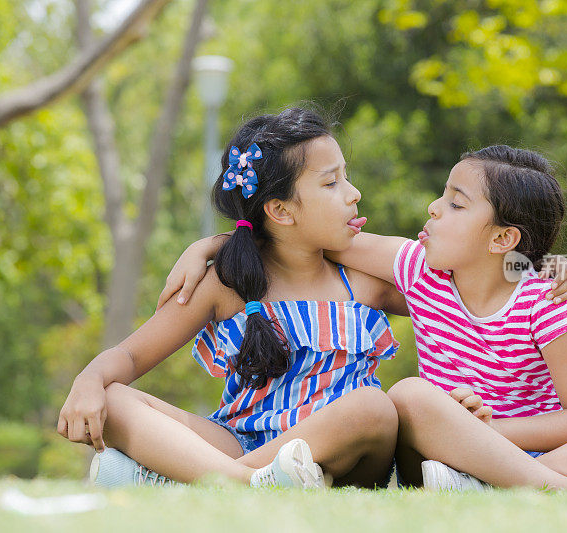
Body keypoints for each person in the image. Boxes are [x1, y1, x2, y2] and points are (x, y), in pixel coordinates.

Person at [161, 145, 567, 495]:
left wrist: (489, 433)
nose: (434, 209)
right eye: (442, 195)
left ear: (503, 239)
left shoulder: (543, 299)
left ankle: (516, 485)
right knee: (412, 397)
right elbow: (301, 237)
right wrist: (212, 245)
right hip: (439, 459)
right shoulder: (416, 270)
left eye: (456, 204)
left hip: (517, 452)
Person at [57, 108, 408, 489]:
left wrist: (213, 242)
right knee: (115, 400)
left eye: (345, 176)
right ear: (279, 210)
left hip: (340, 453)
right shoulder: (229, 283)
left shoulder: (363, 283)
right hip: (237, 443)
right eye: (331, 183)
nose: (353, 193)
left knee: (374, 407)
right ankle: (252, 483)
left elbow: (435, 276)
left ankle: (203, 482)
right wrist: (89, 379)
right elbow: (130, 355)